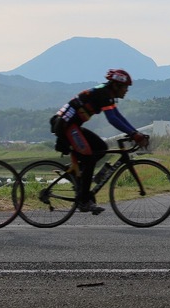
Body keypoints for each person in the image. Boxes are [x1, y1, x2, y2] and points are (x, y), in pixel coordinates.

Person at [53, 68, 149, 214]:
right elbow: (112, 120)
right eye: (125, 87)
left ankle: (77, 173)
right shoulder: (104, 93)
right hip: (65, 126)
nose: (127, 90)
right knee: (89, 158)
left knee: (100, 146)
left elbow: (118, 117)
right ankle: (84, 201)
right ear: (116, 85)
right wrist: (134, 134)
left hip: (73, 126)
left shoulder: (107, 94)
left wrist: (135, 132)